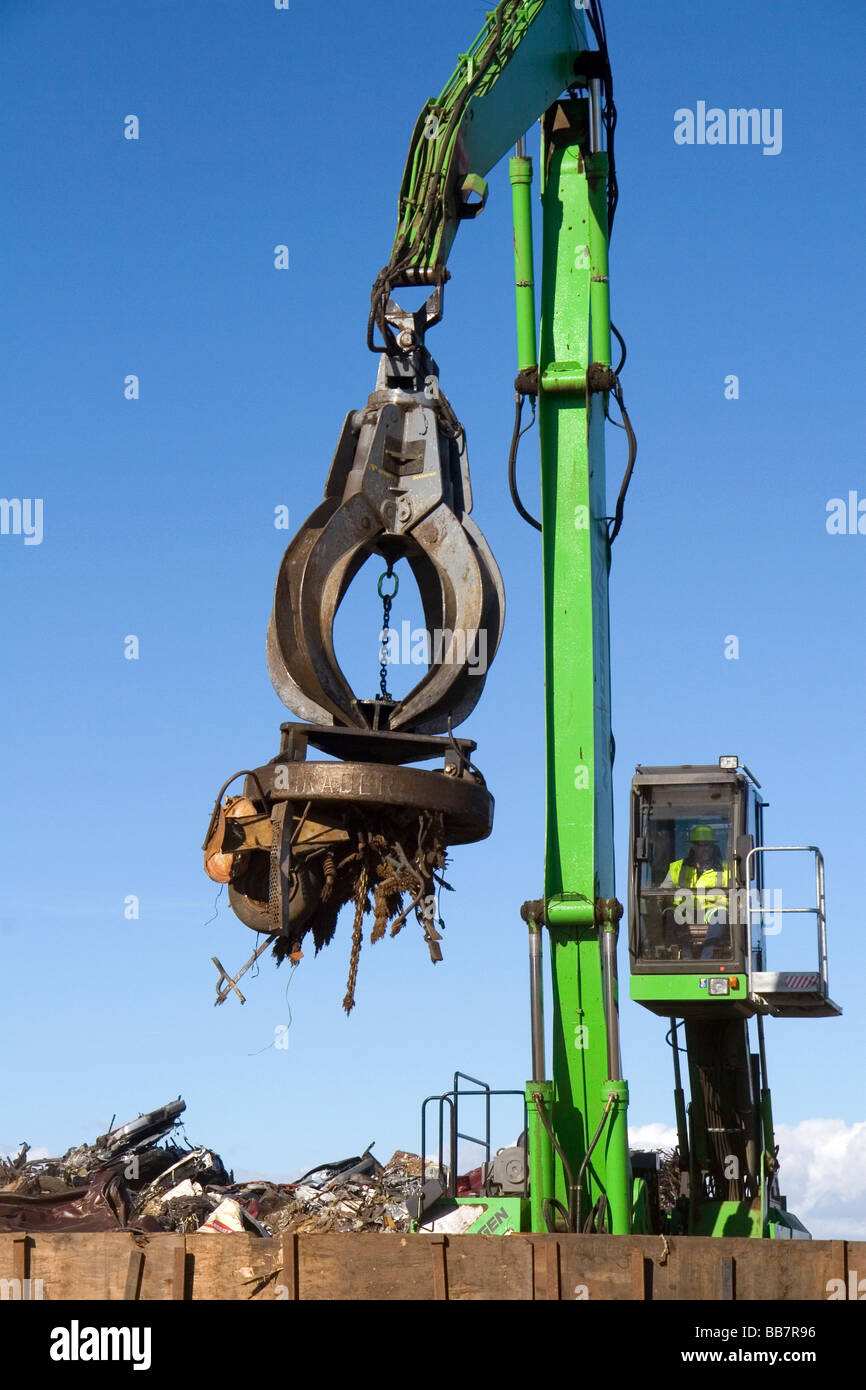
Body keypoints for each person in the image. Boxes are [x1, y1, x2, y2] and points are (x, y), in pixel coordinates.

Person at [660, 824, 730, 959]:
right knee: (670, 914)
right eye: (701, 845)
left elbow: (735, 892)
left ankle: (706, 958)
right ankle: (685, 956)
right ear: (693, 846)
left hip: (711, 911)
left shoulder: (726, 868)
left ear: (713, 847)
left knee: (721, 914)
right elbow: (664, 890)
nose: (705, 849)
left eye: (708, 845)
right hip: (686, 911)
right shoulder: (677, 868)